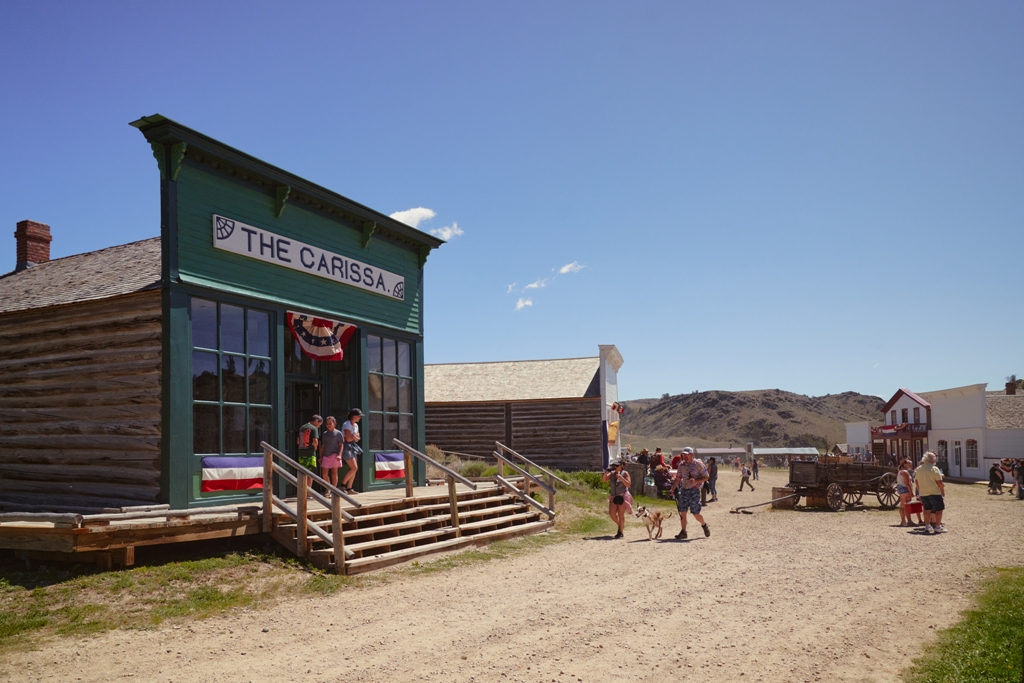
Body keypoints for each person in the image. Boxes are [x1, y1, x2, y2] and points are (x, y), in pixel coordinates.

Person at [668, 447, 711, 540]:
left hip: (695, 490)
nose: (685, 456)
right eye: (683, 455)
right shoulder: (681, 465)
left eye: (687, 454)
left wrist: (696, 481)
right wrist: (673, 489)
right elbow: (678, 478)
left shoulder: (698, 464)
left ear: (692, 455)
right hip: (684, 490)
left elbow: (706, 477)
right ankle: (683, 532)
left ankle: (704, 525)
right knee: (682, 511)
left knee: (696, 513)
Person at [915, 451, 946, 534]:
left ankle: (928, 526)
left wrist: (920, 490)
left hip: (924, 492)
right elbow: (939, 482)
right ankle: (938, 526)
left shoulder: (919, 469)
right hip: (934, 492)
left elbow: (916, 482)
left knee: (926, 509)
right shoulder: (934, 468)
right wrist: (942, 492)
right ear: (931, 460)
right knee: (939, 509)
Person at [602, 460, 631, 539]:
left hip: (622, 496)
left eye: (617, 466)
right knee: (612, 514)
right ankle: (620, 525)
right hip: (614, 496)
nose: (615, 467)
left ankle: (620, 532)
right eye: (614, 466)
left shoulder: (625, 473)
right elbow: (604, 479)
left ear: (621, 465)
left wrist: (621, 478)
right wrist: (607, 471)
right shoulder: (612, 474)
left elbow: (628, 484)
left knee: (621, 515)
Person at [339, 409, 363, 494]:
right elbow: (348, 438)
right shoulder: (347, 424)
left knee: (354, 468)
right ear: (354, 416)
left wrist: (353, 436)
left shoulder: (356, 425)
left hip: (353, 446)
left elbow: (357, 438)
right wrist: (353, 436)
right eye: (359, 416)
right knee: (354, 468)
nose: (360, 417)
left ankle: (349, 488)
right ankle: (342, 485)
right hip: (346, 446)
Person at [896, 458, 922, 527]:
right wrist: (911, 492)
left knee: (902, 506)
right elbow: (908, 483)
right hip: (905, 490)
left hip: (901, 490)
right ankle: (909, 521)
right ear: (904, 464)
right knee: (907, 505)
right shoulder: (905, 472)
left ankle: (903, 521)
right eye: (909, 463)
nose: (910, 465)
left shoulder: (901, 471)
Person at [319, 416, 345, 488]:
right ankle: (329, 487)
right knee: (324, 474)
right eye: (327, 423)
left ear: (334, 423)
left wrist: (339, 455)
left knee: (334, 473)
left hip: (334, 455)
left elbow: (341, 445)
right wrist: (321, 456)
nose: (328, 425)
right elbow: (323, 446)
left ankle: (334, 489)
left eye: (330, 423)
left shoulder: (338, 433)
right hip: (326, 455)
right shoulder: (325, 434)